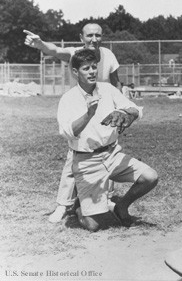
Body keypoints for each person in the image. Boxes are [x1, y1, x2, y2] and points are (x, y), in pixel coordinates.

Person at [24, 23, 121, 223]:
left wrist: (120, 106)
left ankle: (106, 198)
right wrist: (40, 44)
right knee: (75, 156)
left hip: (103, 113)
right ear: (81, 37)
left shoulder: (108, 55)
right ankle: (63, 204)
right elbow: (56, 50)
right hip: (80, 111)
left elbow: (116, 81)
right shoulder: (75, 53)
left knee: (107, 153)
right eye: (89, 35)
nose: (94, 39)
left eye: (98, 35)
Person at [57, 48, 158, 231]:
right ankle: (80, 206)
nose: (92, 72)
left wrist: (126, 114)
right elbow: (67, 133)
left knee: (150, 177)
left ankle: (121, 206)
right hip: (87, 161)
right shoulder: (68, 99)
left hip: (112, 154)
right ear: (75, 72)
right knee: (94, 226)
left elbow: (136, 109)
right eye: (86, 68)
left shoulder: (107, 89)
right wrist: (89, 114)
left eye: (94, 67)